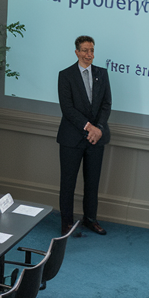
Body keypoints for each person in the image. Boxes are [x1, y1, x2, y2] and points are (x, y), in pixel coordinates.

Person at [57, 35, 111, 237]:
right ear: (77, 52)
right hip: (72, 138)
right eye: (85, 50)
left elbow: (107, 104)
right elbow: (67, 108)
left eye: (92, 50)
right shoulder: (66, 75)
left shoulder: (102, 74)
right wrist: (89, 127)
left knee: (93, 182)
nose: (90, 54)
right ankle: (67, 224)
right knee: (68, 183)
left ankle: (90, 219)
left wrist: (98, 128)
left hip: (96, 138)